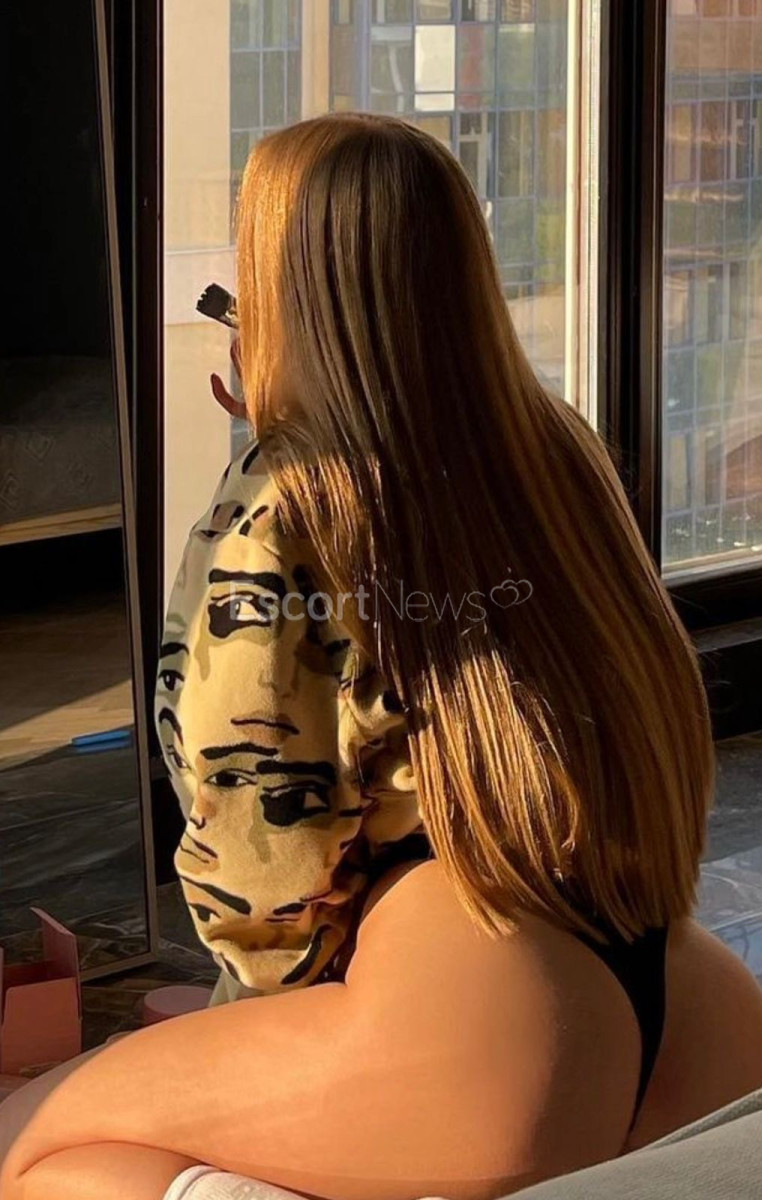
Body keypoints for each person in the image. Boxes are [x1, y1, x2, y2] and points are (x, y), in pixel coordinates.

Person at [2, 111, 762, 1200]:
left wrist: (263, 1030)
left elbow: (257, 841)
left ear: (277, 290)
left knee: (32, 1143)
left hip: (465, 1020)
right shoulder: (560, 453)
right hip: (679, 987)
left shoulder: (286, 497)